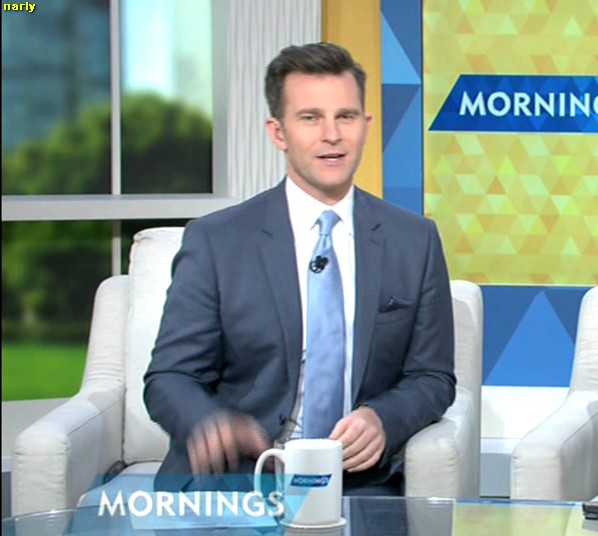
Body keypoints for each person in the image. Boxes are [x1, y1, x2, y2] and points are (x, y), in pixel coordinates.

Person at [144, 42, 456, 496]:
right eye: (310, 118)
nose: (332, 135)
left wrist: (384, 418)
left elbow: (432, 377)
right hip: (237, 477)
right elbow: (170, 378)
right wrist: (211, 423)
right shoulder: (217, 241)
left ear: (366, 126)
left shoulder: (414, 241)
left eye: (346, 117)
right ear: (278, 132)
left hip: (357, 482)